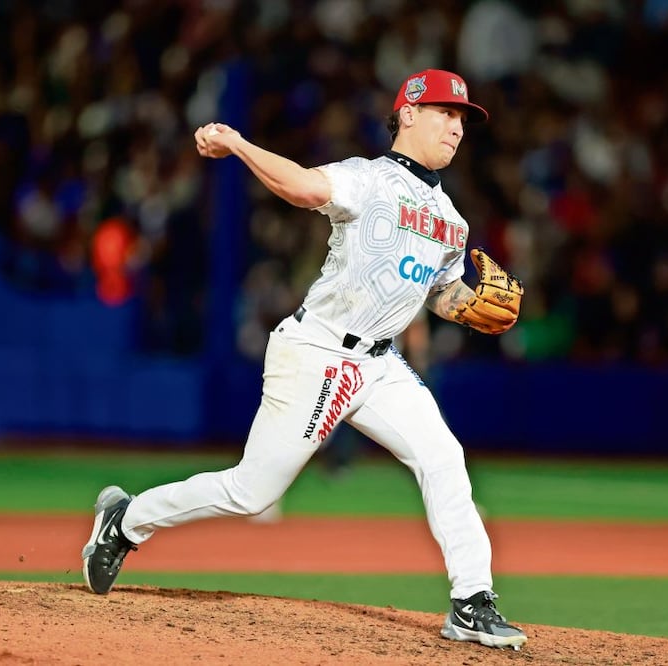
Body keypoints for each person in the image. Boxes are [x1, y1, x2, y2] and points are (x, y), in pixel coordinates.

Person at [81, 69, 527, 650]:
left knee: (443, 457)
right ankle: (126, 519)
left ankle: (472, 601)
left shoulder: (453, 221)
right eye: (445, 112)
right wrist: (239, 144)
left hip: (380, 364)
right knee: (251, 492)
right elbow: (302, 188)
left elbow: (439, 294)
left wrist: (469, 308)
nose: (457, 127)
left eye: (462, 118)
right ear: (409, 113)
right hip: (318, 350)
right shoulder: (368, 179)